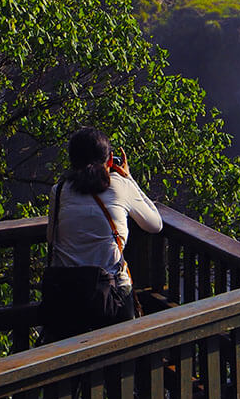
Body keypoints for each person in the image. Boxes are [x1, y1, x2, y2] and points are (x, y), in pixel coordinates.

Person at [41, 127, 163, 342]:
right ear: (109, 162)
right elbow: (155, 225)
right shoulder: (121, 186)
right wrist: (129, 177)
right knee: (118, 365)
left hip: (66, 295)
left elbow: (51, 238)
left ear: (72, 161)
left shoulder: (58, 191)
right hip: (111, 297)